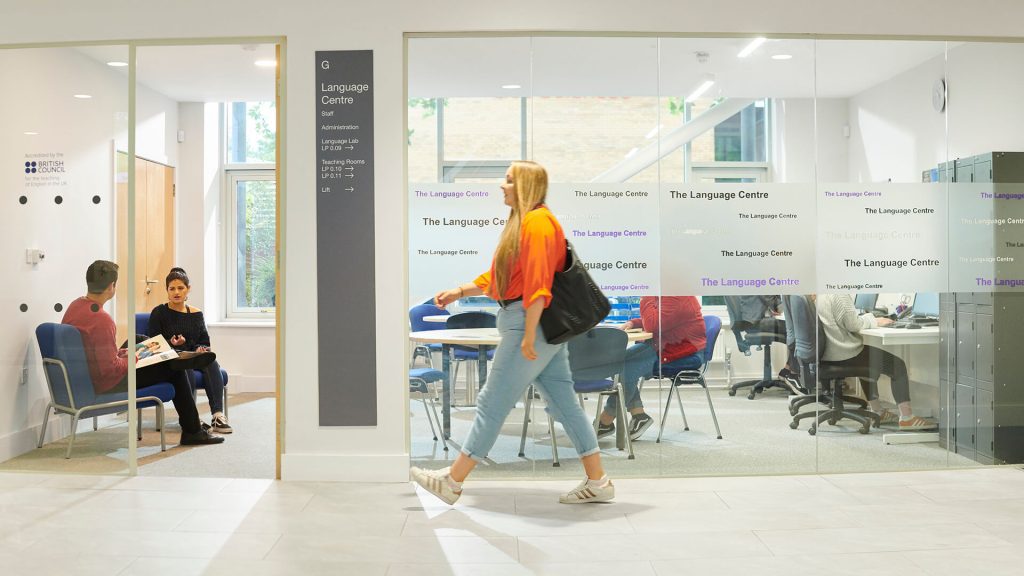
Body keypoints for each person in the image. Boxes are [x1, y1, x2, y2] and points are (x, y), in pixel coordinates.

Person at [410, 160, 614, 505]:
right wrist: (459, 292)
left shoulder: (537, 223)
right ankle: (599, 482)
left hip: (530, 322)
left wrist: (528, 334)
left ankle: (453, 481)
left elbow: (538, 285)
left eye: (507, 181)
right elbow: (503, 278)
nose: (501, 187)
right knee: (563, 402)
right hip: (530, 321)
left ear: (525, 186)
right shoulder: (525, 222)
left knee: (492, 400)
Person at [62, 260, 224, 445]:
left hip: (90, 376)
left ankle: (175, 356)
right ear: (111, 286)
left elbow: (97, 353)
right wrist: (135, 357)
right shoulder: (102, 320)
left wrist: (123, 353)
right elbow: (110, 371)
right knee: (175, 369)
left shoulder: (76, 306)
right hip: (106, 383)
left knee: (139, 339)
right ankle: (192, 430)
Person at [815, 293, 936, 430]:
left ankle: (878, 411)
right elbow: (854, 324)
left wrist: (870, 318)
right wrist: (875, 320)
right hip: (844, 353)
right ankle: (907, 418)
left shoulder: (823, 294)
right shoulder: (838, 295)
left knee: (867, 359)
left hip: (830, 354)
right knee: (897, 365)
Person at [597, 296, 705, 441]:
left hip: (682, 352)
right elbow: (661, 320)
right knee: (617, 362)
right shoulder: (668, 292)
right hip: (665, 346)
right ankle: (639, 415)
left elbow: (653, 324)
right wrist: (633, 322)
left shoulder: (676, 294)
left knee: (626, 368)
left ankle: (606, 420)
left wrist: (646, 296)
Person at [147, 267, 232, 433]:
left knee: (211, 361)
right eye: (172, 289)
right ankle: (192, 418)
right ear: (167, 290)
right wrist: (173, 343)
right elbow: (153, 344)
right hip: (172, 359)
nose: (176, 292)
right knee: (184, 367)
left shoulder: (196, 313)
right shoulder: (159, 312)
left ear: (188, 289)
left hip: (194, 356)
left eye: (181, 288)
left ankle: (217, 416)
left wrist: (201, 348)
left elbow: (205, 342)